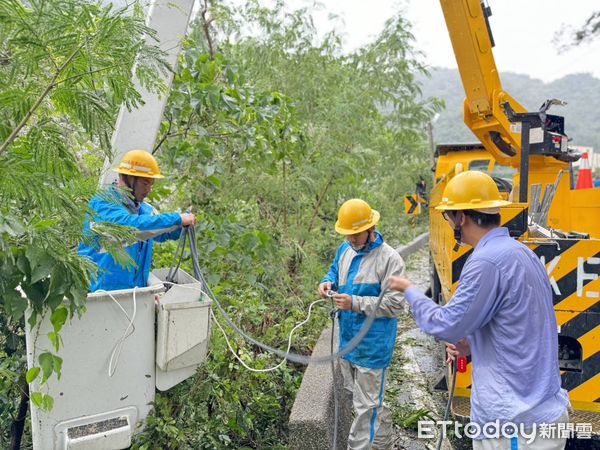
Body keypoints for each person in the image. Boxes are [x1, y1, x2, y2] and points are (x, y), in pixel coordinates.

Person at [388, 170, 570, 449]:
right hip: (540, 416)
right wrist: (473, 343)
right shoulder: (523, 253)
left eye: (448, 216)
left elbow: (446, 324)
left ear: (462, 217)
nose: (448, 222)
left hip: (514, 427)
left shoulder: (486, 262)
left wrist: (409, 290)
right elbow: (520, 323)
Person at [318, 198, 405, 450]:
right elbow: (334, 271)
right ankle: (382, 443)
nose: (352, 239)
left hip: (373, 347)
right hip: (348, 342)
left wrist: (355, 302)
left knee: (366, 409)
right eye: (348, 234)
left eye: (356, 234)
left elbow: (396, 304)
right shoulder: (345, 250)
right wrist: (327, 283)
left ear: (370, 228)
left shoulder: (390, 259)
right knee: (365, 402)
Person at [78, 149, 195, 292]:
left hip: (132, 294)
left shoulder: (142, 209)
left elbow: (162, 232)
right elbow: (130, 228)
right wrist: (177, 218)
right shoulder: (102, 204)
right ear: (128, 178)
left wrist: (180, 226)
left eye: (152, 184)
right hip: (99, 295)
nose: (149, 189)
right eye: (146, 183)